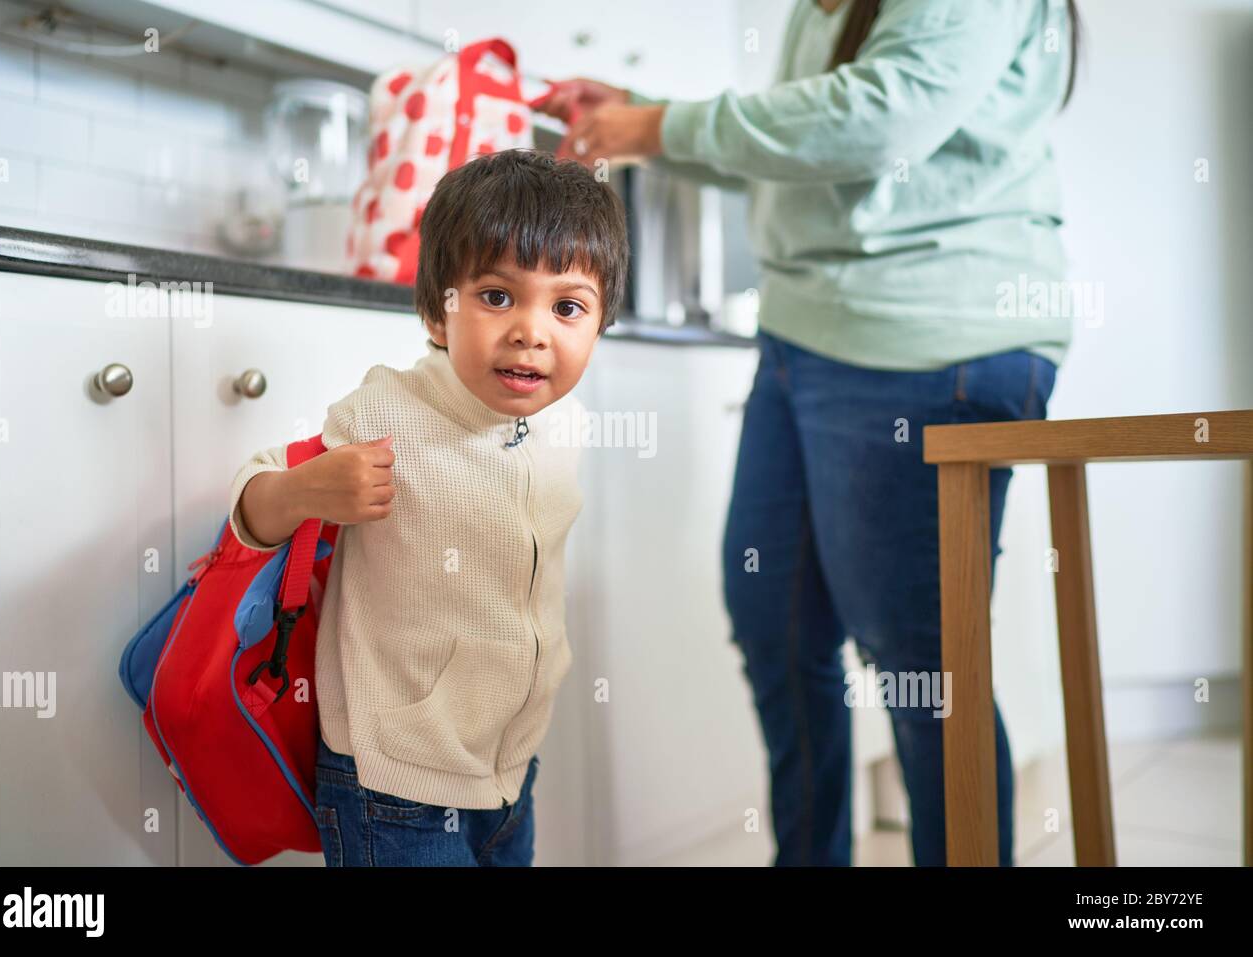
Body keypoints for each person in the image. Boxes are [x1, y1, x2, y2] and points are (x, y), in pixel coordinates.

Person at [533, 0, 1081, 865]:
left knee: (920, 665)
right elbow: (806, 143)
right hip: (804, 336)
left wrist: (663, 124)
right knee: (773, 620)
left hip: (927, 338)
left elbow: (880, 115)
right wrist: (641, 120)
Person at [227, 149, 628, 866]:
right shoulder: (389, 409)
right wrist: (308, 487)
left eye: (567, 306)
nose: (532, 331)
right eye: (497, 296)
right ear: (437, 310)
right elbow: (253, 499)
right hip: (395, 785)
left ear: (599, 324)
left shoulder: (566, 421)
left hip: (510, 771)